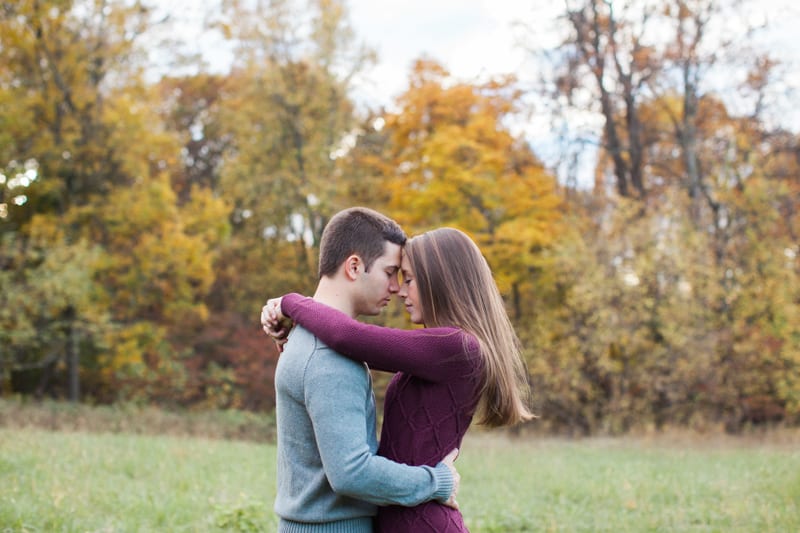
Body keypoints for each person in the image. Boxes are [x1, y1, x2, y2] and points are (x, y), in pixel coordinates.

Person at [263, 226, 534, 532]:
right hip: (403, 519)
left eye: (408, 279)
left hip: (422, 524)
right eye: (396, 276)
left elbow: (347, 336)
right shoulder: (440, 349)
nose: (400, 290)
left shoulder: (457, 347)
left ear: (440, 280)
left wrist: (290, 302)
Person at [266, 207, 460, 533]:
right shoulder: (330, 358)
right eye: (390, 272)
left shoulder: (304, 339)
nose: (397, 288)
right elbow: (352, 472)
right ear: (355, 266)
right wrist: (437, 480)